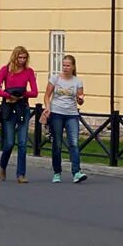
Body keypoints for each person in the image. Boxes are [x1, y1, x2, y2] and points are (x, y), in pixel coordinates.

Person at [0, 46, 37, 183]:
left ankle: (21, 174)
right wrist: (8, 95)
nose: (22, 61)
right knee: (10, 143)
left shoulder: (29, 72)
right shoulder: (6, 70)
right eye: (20, 57)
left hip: (23, 107)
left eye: (24, 58)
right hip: (9, 107)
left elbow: (34, 92)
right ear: (14, 57)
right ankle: (3, 166)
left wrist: (22, 94)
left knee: (22, 142)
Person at [46, 54, 88, 183]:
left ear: (73, 67)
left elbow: (80, 99)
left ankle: (76, 172)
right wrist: (48, 108)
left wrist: (80, 99)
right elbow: (47, 95)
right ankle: (57, 172)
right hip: (57, 113)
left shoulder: (77, 81)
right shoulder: (55, 79)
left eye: (68, 65)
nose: (65, 68)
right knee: (57, 144)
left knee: (74, 143)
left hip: (72, 114)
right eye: (63, 65)